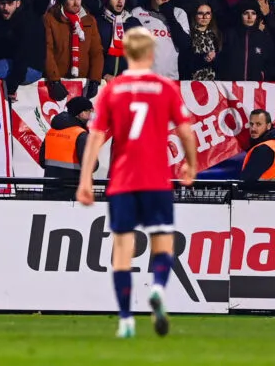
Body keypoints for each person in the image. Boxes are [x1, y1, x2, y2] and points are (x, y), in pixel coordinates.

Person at [76, 27, 198, 339]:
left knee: (122, 251)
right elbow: (185, 132)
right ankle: (157, 287)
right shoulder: (165, 87)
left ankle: (127, 319)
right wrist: (191, 164)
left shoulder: (113, 90)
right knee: (163, 244)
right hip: (156, 179)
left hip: (122, 181)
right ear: (151, 53)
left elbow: (96, 137)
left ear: (127, 54)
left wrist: (86, 178)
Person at [39, 95, 95, 200]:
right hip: (74, 193)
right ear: (82, 113)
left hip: (50, 190)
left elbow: (42, 161)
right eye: (89, 111)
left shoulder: (51, 132)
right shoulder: (81, 135)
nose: (91, 115)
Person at [239, 109, 275, 183]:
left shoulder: (264, 149)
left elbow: (245, 182)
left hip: (259, 194)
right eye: (251, 124)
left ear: (268, 126)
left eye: (258, 124)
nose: (253, 128)